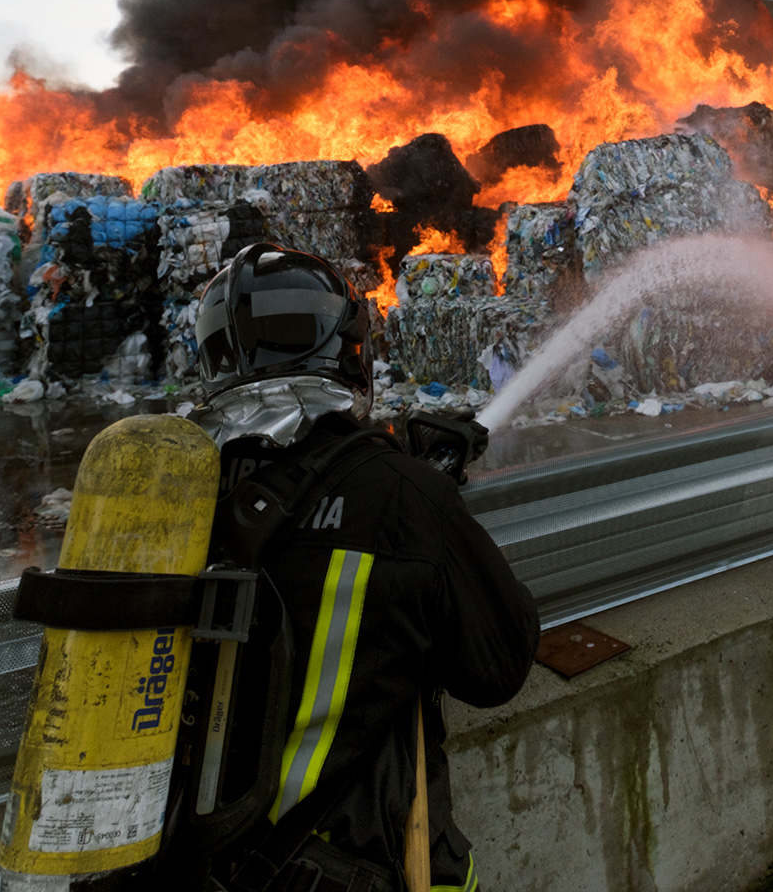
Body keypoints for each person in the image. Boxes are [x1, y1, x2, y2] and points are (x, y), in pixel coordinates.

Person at [153, 243, 538, 892]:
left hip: (181, 866)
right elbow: (499, 665)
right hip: (341, 869)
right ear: (350, 348)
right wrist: (423, 494)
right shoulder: (403, 496)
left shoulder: (160, 493)